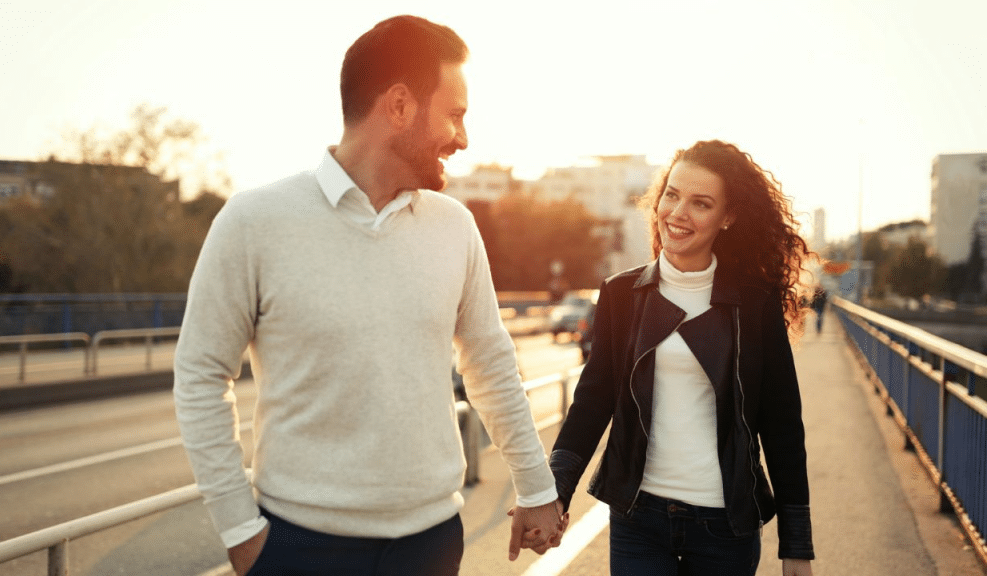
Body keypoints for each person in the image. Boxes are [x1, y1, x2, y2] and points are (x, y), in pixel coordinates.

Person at [173, 15, 564, 576]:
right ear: (400, 106)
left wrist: (535, 486)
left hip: (430, 546)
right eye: (454, 115)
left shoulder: (454, 226)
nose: (463, 138)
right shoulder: (254, 222)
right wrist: (241, 532)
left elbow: (489, 361)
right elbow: (200, 374)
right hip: (300, 548)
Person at [548, 140, 816, 575]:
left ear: (728, 217)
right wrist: (554, 492)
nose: (678, 212)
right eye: (671, 195)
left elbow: (782, 422)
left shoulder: (754, 303)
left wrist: (796, 544)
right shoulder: (621, 294)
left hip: (725, 527)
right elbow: (593, 401)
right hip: (639, 520)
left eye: (701, 203)